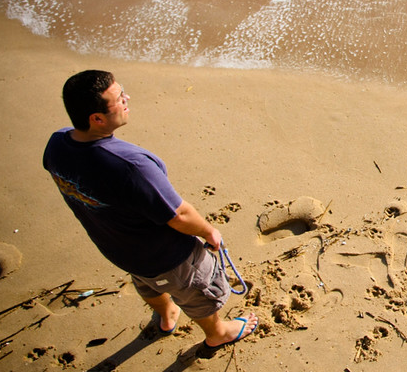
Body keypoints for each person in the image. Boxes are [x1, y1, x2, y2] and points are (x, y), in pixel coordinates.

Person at [43, 70, 257, 350]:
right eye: (120, 98)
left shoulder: (57, 145)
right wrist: (209, 231)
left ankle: (167, 314)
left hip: (119, 248)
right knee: (196, 289)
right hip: (165, 255)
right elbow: (178, 215)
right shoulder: (131, 166)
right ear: (96, 118)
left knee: (147, 284)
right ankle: (218, 332)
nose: (126, 98)